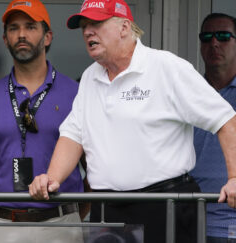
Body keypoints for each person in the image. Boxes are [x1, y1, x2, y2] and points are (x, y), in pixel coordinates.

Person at [29, 0, 236, 243]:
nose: (87, 32)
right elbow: (74, 135)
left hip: (165, 205)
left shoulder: (166, 67)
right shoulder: (89, 77)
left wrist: (234, 178)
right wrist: (52, 178)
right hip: (108, 209)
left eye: (96, 23)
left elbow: (226, 120)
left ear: (124, 27)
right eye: (84, 26)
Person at [0, 0, 86, 242]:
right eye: (13, 28)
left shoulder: (77, 94)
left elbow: (93, 169)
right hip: (0, 225)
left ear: (48, 36)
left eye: (31, 26)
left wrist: (73, 213)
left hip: (60, 224)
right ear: (4, 39)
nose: (21, 34)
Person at [190, 13, 236, 243]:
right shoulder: (188, 92)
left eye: (223, 36)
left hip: (231, 224)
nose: (214, 43)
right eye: (206, 37)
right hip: (184, 219)